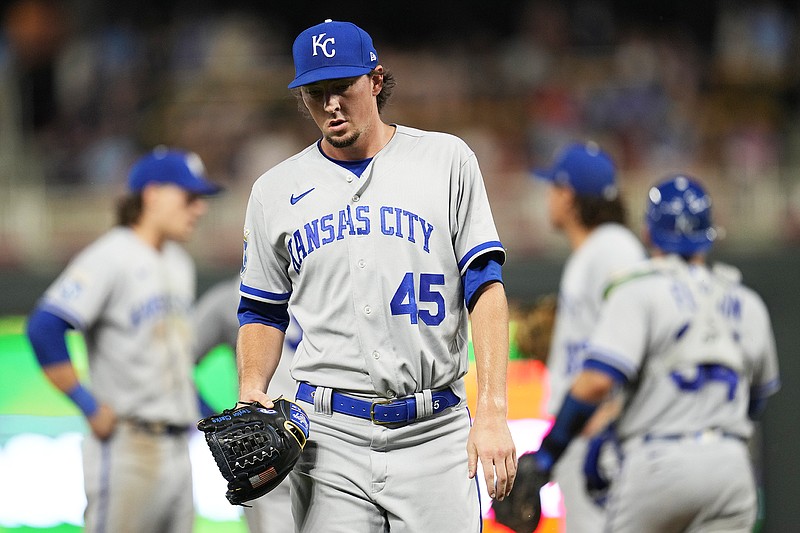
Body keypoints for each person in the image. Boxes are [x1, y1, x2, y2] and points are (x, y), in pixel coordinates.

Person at [235, 19, 516, 533]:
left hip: (436, 430)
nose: (331, 106)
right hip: (328, 437)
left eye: (342, 88)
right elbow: (260, 308)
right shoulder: (274, 190)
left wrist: (493, 409)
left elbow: (485, 286)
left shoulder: (445, 159)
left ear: (376, 80)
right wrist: (251, 385)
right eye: (316, 94)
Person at [519, 174, 781, 532]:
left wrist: (548, 454)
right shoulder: (747, 302)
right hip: (731, 467)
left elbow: (596, 382)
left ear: (648, 233)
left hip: (659, 463)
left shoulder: (639, 290)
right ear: (709, 235)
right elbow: (756, 402)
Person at [25, 147, 221, 533]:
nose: (199, 209)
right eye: (189, 197)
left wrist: (214, 420)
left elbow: (174, 367)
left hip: (178, 449)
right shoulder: (110, 256)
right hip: (129, 446)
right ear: (152, 194)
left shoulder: (179, 263)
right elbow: (44, 327)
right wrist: (88, 404)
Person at [533, 141, 646, 530]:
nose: (548, 198)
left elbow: (641, 337)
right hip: (580, 435)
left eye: (553, 189)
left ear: (568, 196)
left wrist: (614, 413)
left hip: (600, 438)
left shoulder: (614, 248)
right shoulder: (596, 251)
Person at [192, 275, 301, 532]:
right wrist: (208, 414)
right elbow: (175, 359)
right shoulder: (231, 296)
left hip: (326, 440)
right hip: (269, 447)